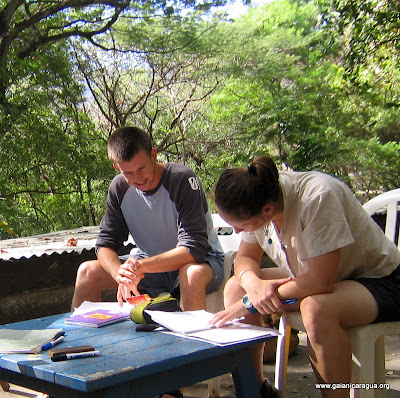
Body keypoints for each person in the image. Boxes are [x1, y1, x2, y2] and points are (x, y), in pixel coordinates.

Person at [210, 155, 400, 398]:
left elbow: (321, 281)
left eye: (240, 225)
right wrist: (253, 286)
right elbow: (245, 259)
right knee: (236, 287)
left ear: (267, 209)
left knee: (316, 308)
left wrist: (249, 303)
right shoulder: (257, 198)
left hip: (379, 280)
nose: (236, 232)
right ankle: (255, 390)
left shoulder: (317, 196)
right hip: (310, 273)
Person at [71, 126, 224, 398]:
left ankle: (178, 379)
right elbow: (105, 244)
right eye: (126, 172)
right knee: (87, 272)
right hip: (151, 268)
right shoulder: (119, 188)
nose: (136, 178)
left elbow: (193, 249)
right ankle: (79, 366)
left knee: (190, 273)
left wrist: (140, 266)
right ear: (115, 166)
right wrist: (120, 273)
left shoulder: (181, 179)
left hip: (201, 265)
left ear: (153, 155)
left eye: (141, 168)